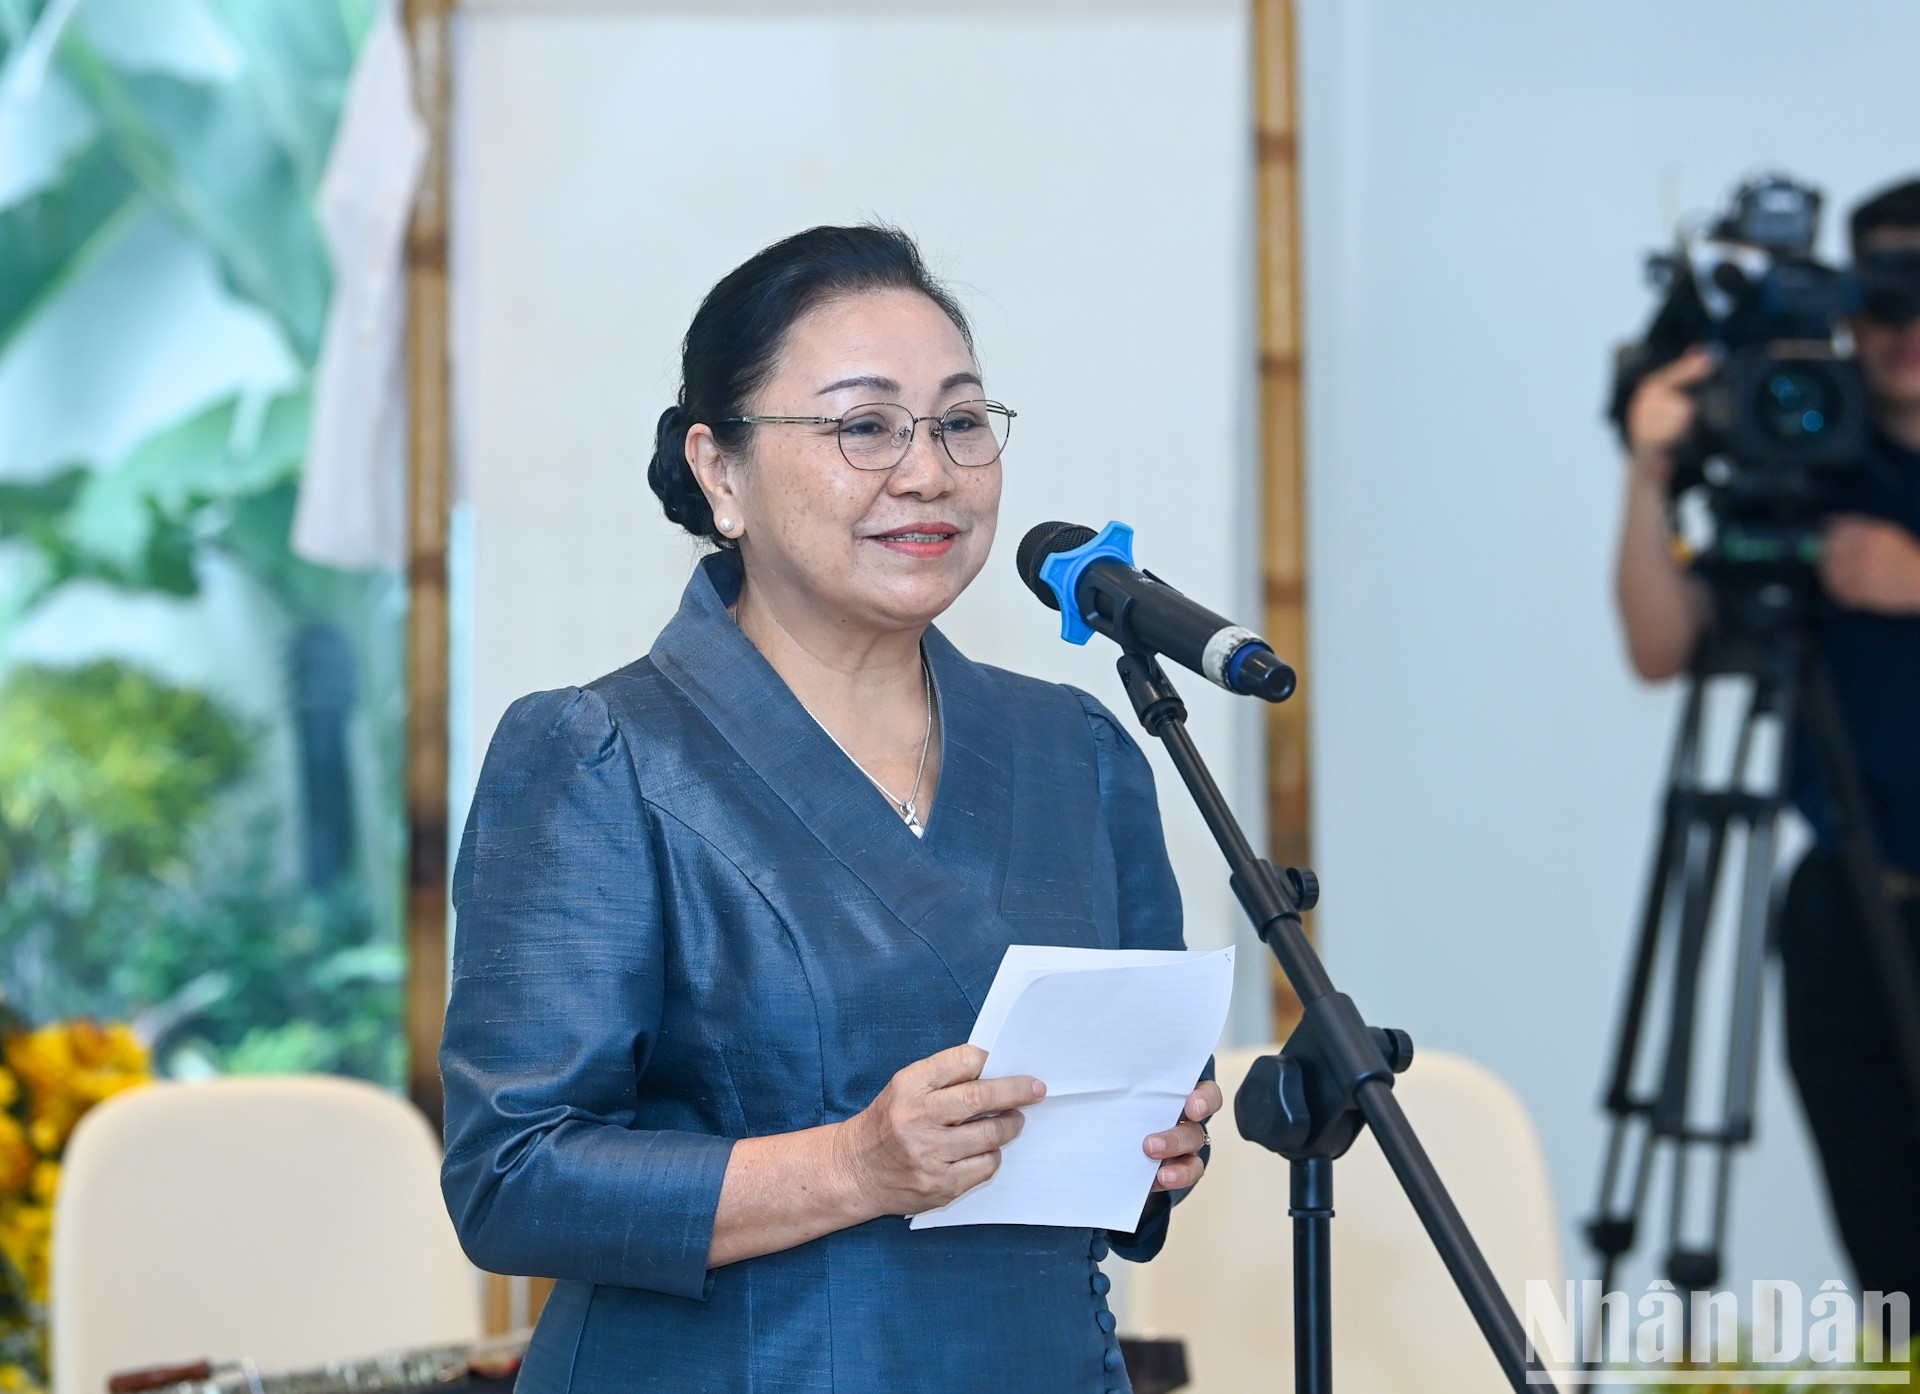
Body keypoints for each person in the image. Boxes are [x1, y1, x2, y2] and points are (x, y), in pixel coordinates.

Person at [439, 224, 1221, 1393]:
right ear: (720, 470)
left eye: (960, 421)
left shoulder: (1081, 753)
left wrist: (1156, 1146)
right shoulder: (601, 753)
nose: (927, 470)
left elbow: (1114, 1176)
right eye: (864, 425)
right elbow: (513, 1176)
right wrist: (855, 1164)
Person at [1613, 178, 1920, 1299]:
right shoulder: (1803, 453)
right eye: (1884, 296)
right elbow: (1660, 644)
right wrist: (1650, 479)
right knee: (1893, 1267)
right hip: (1849, 900)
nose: (1905, 329)